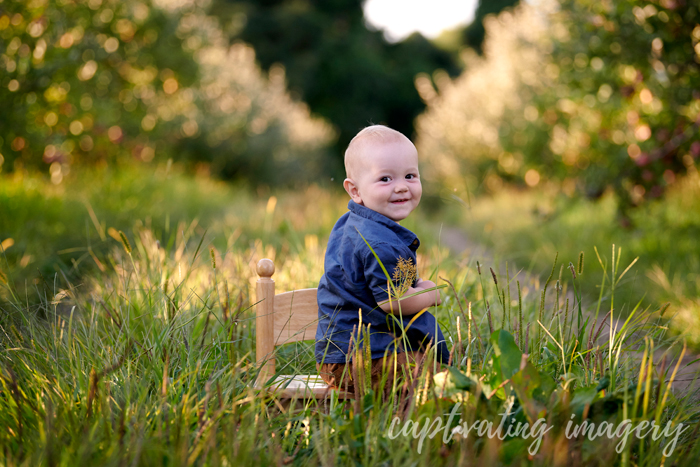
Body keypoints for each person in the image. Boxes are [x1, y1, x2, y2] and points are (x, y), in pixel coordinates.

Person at [315, 125, 450, 399]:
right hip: (362, 359)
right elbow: (394, 301)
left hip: (341, 357)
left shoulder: (352, 224)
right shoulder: (383, 244)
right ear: (355, 190)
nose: (401, 186)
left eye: (410, 175)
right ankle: (408, 434)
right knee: (436, 377)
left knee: (439, 364)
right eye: (385, 179)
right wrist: (429, 291)